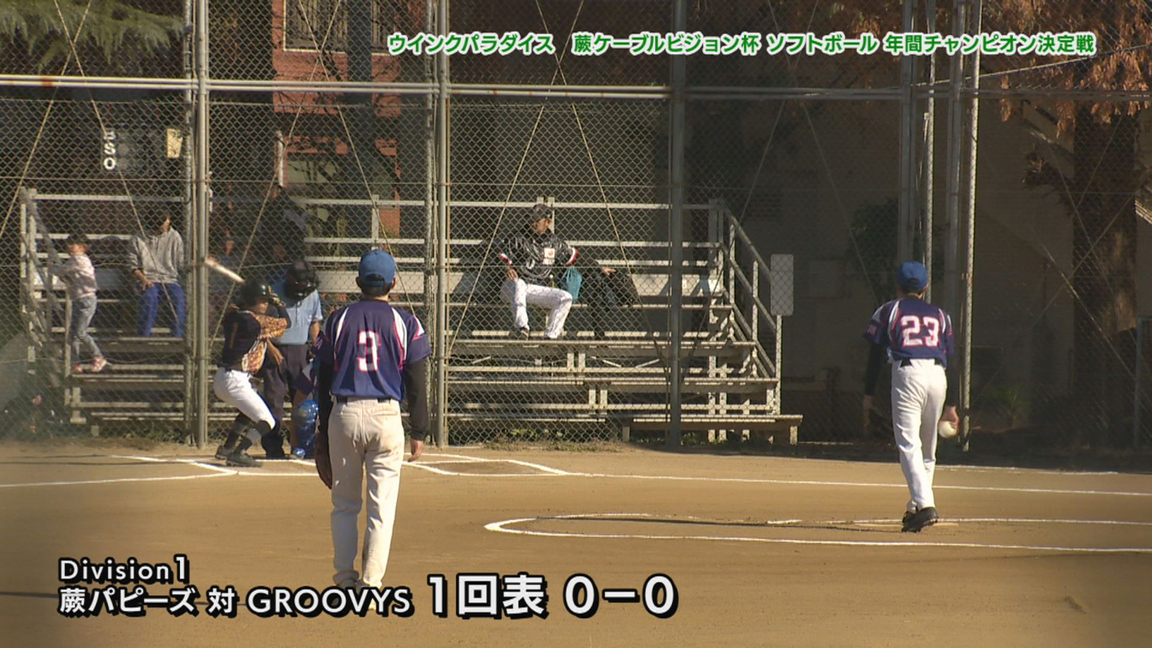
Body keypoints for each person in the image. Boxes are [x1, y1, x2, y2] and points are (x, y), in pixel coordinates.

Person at [313, 249, 430, 590]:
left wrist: (322, 434)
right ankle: (371, 583)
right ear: (393, 283)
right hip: (386, 414)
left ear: (357, 282)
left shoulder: (337, 320)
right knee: (382, 508)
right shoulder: (406, 322)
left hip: (345, 412)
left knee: (345, 505)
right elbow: (417, 381)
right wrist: (419, 429)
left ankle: (344, 579)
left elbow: (322, 378)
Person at [862, 261, 960, 533]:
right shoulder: (941, 315)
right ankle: (916, 507)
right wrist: (952, 405)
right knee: (928, 449)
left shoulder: (889, 310)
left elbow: (874, 357)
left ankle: (926, 505)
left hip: (908, 374)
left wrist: (868, 395)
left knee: (908, 444)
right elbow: (954, 360)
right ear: (926, 288)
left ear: (897, 286)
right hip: (938, 374)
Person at [496, 203, 614, 339]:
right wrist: (508, 268)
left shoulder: (554, 243)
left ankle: (550, 336)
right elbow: (501, 255)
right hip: (513, 287)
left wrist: (599, 268)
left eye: (536, 220)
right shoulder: (518, 238)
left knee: (565, 297)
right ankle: (522, 328)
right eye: (531, 219)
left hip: (537, 288)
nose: (533, 223)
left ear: (548, 222)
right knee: (519, 284)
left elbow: (575, 258)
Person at [212, 281, 290, 467]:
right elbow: (287, 323)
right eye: (262, 301)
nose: (265, 304)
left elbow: (239, 308)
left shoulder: (232, 315)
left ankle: (228, 447)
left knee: (250, 411)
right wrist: (280, 305)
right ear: (250, 300)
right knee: (267, 421)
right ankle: (240, 452)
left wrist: (251, 300)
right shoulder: (255, 322)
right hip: (235, 380)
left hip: (224, 378)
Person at [260, 259, 324, 458]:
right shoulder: (274, 293)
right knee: (274, 402)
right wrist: (270, 348)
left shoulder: (312, 294)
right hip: (276, 351)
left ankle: (303, 445)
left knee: (304, 403)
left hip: (301, 351)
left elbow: (314, 323)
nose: (305, 287)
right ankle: (273, 447)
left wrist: (316, 347)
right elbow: (261, 324)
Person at [53, 233, 106, 373]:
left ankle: (98, 356)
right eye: (68, 244)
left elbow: (61, 271)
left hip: (86, 300)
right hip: (78, 299)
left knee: (80, 332)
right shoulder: (76, 260)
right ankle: (75, 363)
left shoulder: (78, 259)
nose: (69, 247)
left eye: (73, 245)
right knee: (73, 334)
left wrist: (52, 268)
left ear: (83, 247)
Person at [128, 211, 185, 337]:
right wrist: (143, 279)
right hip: (147, 279)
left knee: (178, 297)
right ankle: (144, 336)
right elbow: (133, 266)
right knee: (149, 297)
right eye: (165, 221)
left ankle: (177, 337)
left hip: (170, 280)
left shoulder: (175, 237)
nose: (168, 223)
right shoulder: (138, 239)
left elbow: (181, 262)